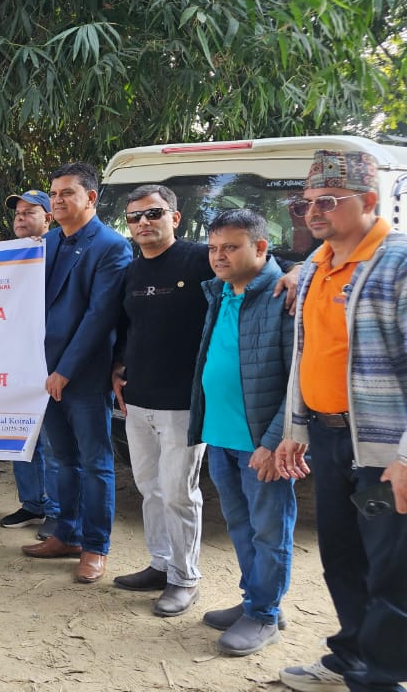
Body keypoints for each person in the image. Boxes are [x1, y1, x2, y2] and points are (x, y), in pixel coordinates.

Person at [275, 150, 407, 692]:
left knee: (391, 571)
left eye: (328, 201)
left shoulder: (398, 263)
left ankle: (384, 677)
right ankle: (352, 652)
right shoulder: (317, 266)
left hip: (381, 451)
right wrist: (294, 430)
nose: (313, 212)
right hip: (329, 440)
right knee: (341, 557)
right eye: (305, 203)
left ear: (370, 202)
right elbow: (307, 355)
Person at [186, 209, 296, 656]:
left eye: (230, 247)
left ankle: (265, 615)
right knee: (241, 526)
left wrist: (272, 442)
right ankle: (258, 599)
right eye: (213, 248)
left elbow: (298, 381)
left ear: (261, 247)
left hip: (261, 444)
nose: (218, 256)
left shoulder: (283, 296)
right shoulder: (220, 292)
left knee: (270, 531)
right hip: (221, 435)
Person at [21, 162, 131, 585]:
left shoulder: (111, 246)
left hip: (81, 376)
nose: (58, 199)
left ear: (91, 198)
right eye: (54, 193)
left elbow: (99, 317)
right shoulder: (46, 241)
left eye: (68, 192)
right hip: (42, 374)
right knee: (63, 458)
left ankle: (95, 546)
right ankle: (66, 533)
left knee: (95, 462)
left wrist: (65, 371)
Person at [108, 184, 212, 616]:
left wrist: (293, 273)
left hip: (183, 403)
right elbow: (125, 327)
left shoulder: (201, 258)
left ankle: (185, 579)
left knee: (178, 493)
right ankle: (160, 564)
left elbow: (255, 271)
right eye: (134, 217)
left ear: (175, 217)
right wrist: (116, 365)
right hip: (138, 400)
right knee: (150, 488)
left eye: (153, 214)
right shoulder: (132, 272)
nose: (143, 223)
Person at [0, 189, 61, 540]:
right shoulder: (9, 255)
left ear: (48, 218)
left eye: (30, 211)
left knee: (52, 441)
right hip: (15, 361)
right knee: (20, 437)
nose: (21, 217)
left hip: (49, 361)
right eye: (18, 212)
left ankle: (55, 510)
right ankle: (32, 503)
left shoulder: (58, 250)